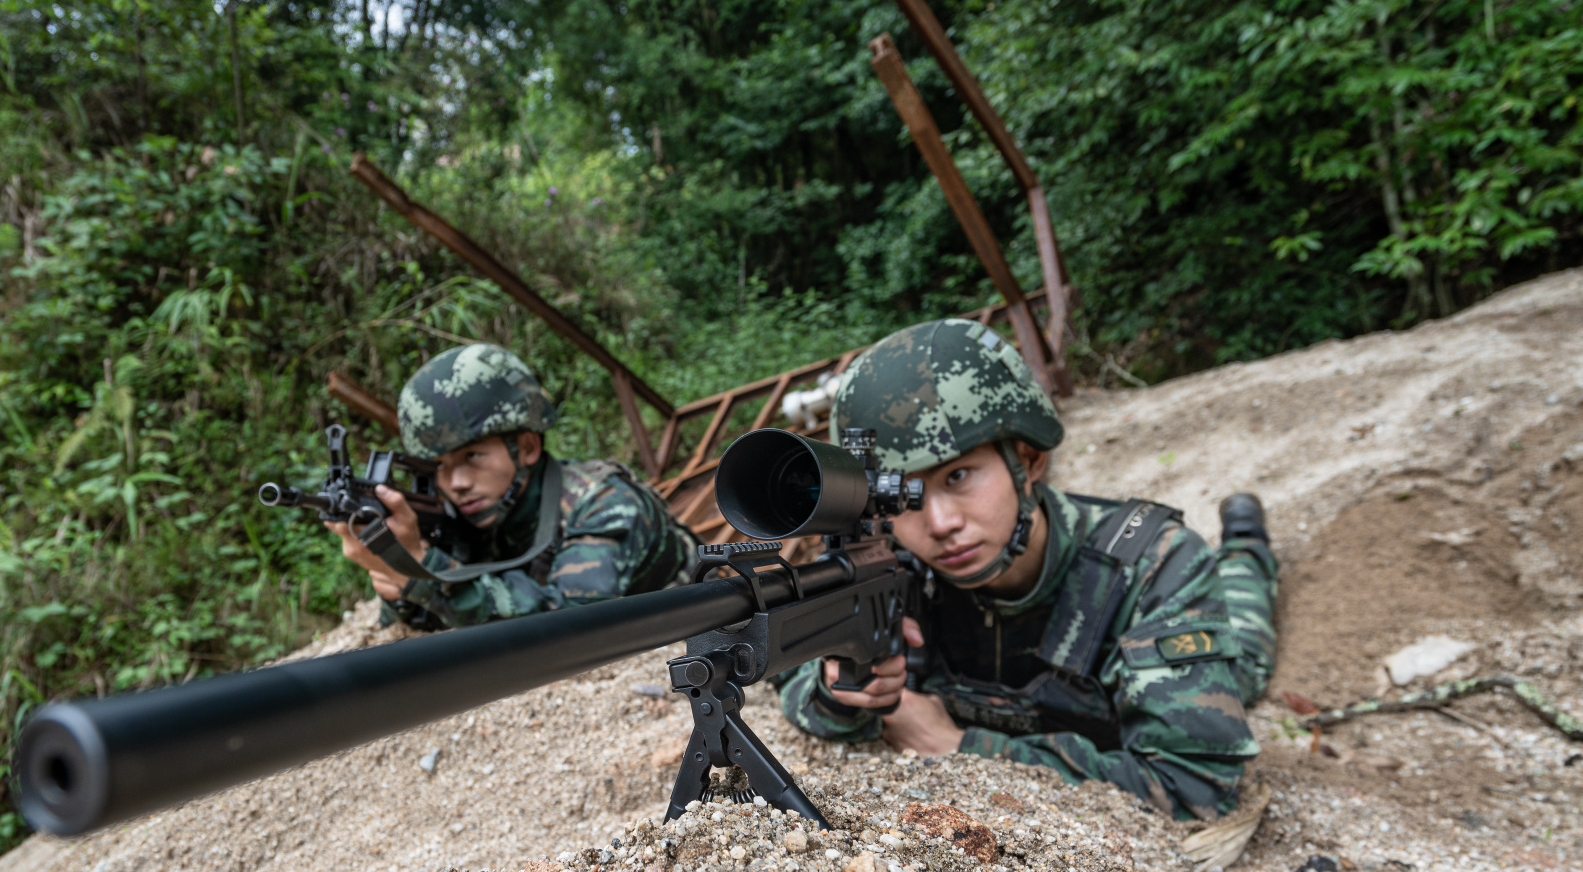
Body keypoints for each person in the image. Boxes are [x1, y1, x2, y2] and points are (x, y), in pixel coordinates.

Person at [778, 319, 1278, 819]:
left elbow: (1196, 785)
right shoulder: (889, 567)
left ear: (1029, 460)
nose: (940, 523)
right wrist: (843, 696)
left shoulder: (1151, 567)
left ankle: (1245, 543)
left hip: (1172, 602)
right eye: (904, 497)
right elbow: (792, 677)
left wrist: (963, 746)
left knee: (1246, 660)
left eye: (958, 476)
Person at [329, 343, 698, 629]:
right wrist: (399, 575)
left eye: (473, 456)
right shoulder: (473, 516)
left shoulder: (603, 501)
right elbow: (426, 626)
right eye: (439, 466)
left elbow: (578, 623)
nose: (455, 484)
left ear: (527, 448)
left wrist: (428, 571)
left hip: (705, 638)